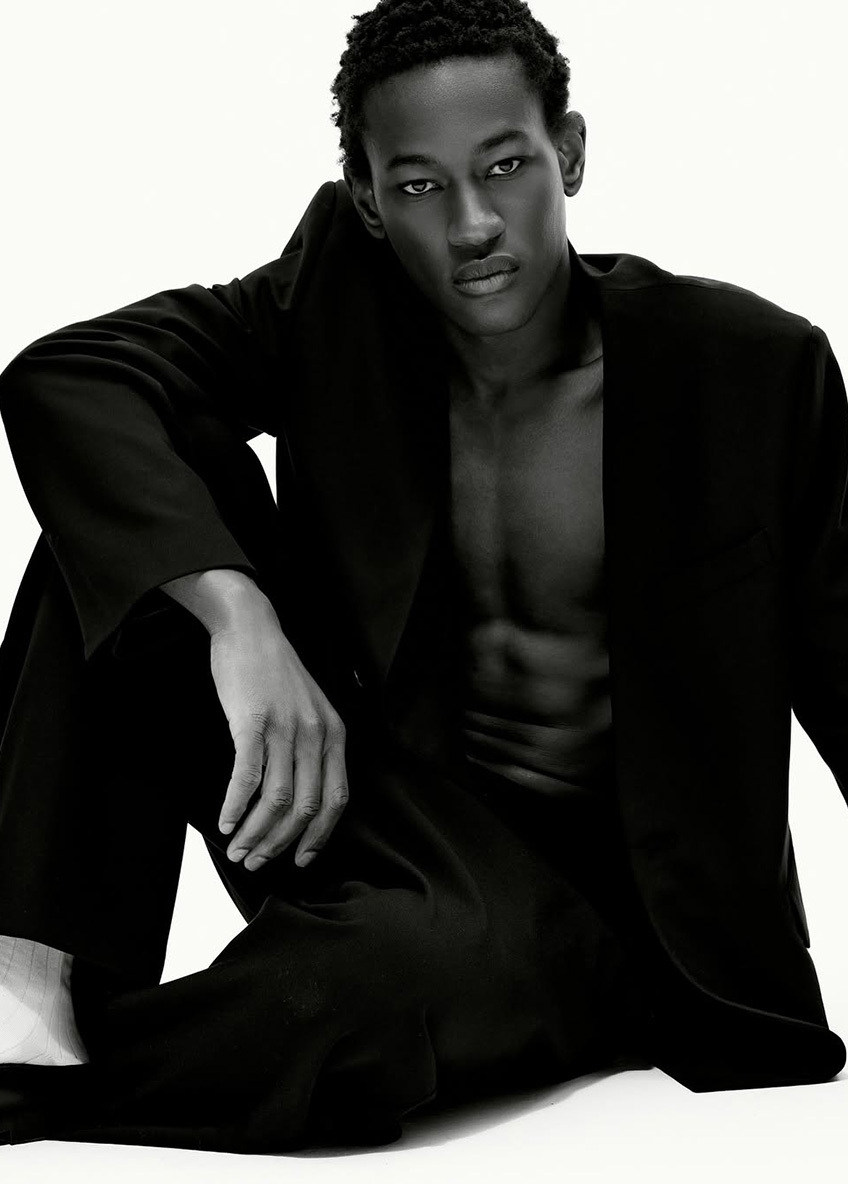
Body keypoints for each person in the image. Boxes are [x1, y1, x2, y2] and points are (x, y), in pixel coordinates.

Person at [1, 0, 846, 1153]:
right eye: (417, 185)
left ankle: (60, 1077)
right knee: (124, 517)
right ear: (366, 199)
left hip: (592, 913)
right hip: (355, 806)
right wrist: (239, 617)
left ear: (569, 152)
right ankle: (25, 992)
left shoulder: (746, 367)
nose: (471, 223)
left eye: (503, 166)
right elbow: (70, 376)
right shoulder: (330, 308)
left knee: (351, 993)